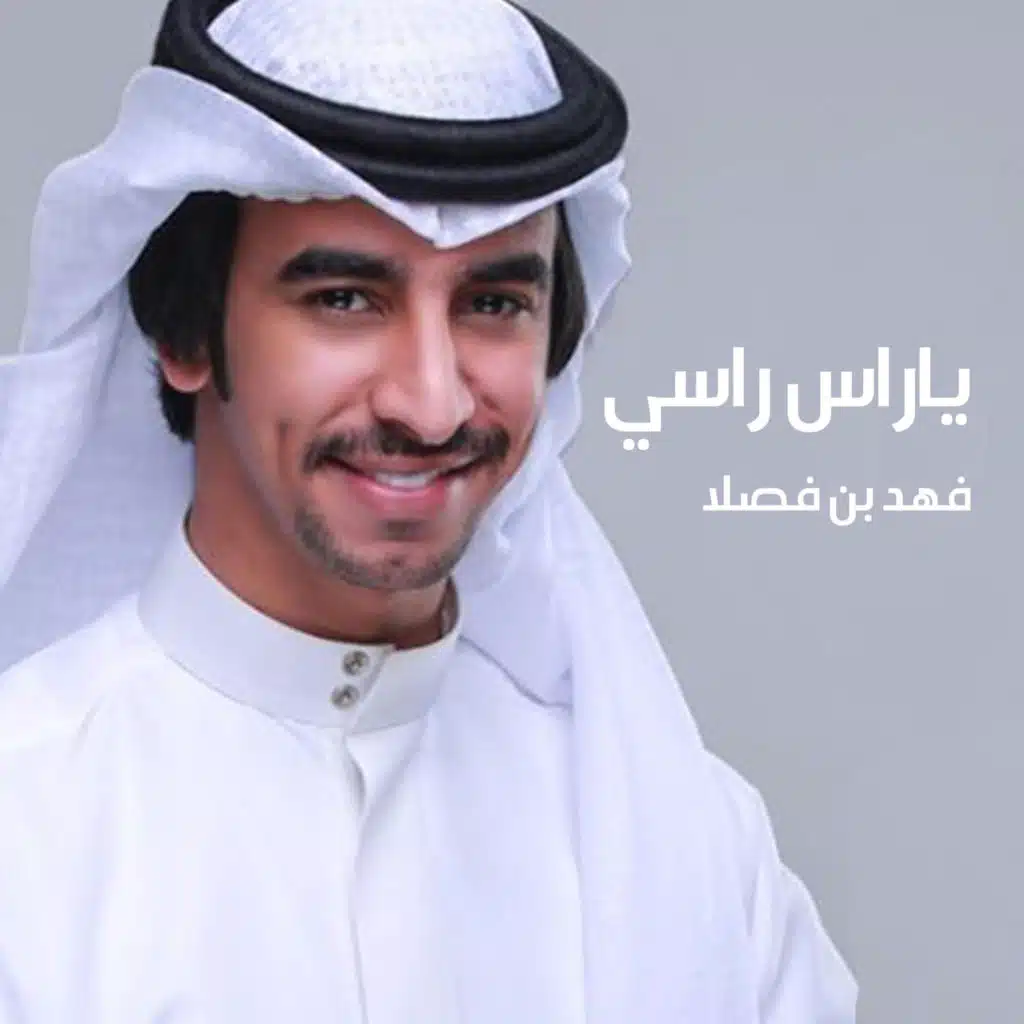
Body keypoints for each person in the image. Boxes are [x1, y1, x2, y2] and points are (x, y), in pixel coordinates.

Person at [0, 0, 857, 1020]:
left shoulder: (696, 857)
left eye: (492, 304)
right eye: (344, 299)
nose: (432, 403)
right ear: (186, 332)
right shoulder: (26, 833)